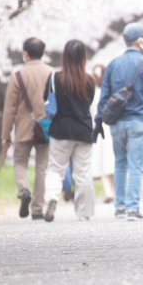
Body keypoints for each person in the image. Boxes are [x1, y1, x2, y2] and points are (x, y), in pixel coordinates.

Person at [93, 23, 143, 221]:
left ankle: (119, 207)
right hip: (139, 120)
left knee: (120, 163)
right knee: (136, 165)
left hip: (117, 121)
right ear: (140, 41)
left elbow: (104, 96)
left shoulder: (113, 64)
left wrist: (98, 120)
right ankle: (132, 208)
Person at [42, 40, 96, 222]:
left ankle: (51, 198)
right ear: (83, 57)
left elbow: (46, 102)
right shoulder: (89, 80)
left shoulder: (55, 78)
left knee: (56, 169)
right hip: (83, 130)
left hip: (61, 129)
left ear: (64, 56)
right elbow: (88, 104)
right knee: (83, 172)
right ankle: (84, 212)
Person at [2, 38, 54, 220]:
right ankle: (38, 209)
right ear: (44, 53)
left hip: (24, 127)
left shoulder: (18, 76)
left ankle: (24, 190)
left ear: (25, 54)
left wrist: (6, 134)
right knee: (42, 167)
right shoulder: (52, 73)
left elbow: (10, 108)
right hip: (46, 127)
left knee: (20, 162)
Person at [89, 65, 114, 203]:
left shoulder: (92, 92)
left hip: (97, 128)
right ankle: (112, 191)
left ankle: (109, 192)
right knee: (110, 161)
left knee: (102, 161)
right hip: (109, 128)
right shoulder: (109, 92)